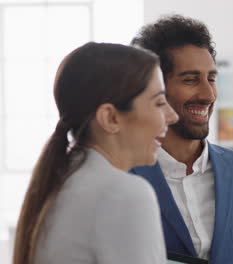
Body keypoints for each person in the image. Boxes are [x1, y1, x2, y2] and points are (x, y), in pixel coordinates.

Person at [130, 15, 233, 264]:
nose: (208, 93)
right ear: (153, 88)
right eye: (190, 80)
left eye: (211, 78)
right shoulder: (123, 174)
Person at [13, 42, 178, 264]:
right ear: (110, 118)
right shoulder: (125, 193)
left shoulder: (60, 181)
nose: (172, 116)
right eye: (159, 102)